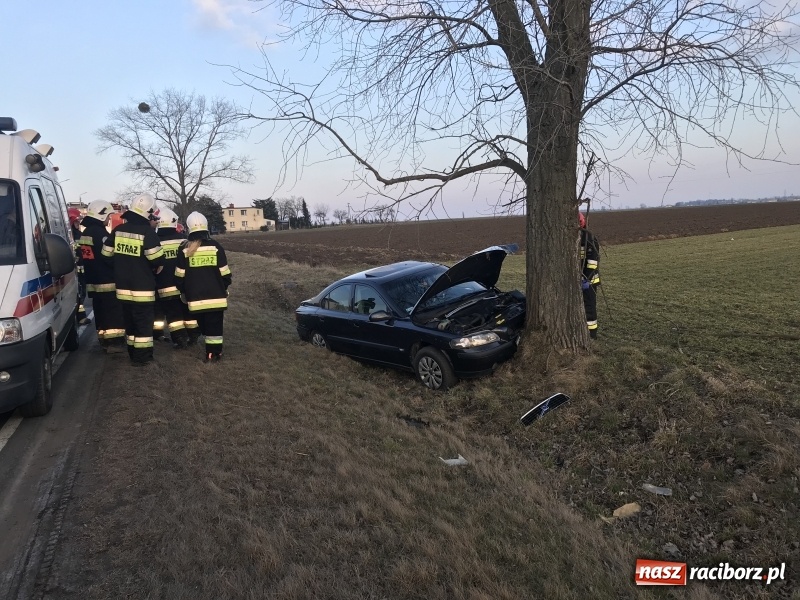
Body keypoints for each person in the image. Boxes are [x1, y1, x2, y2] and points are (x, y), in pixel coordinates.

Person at [101, 193, 165, 364]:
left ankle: (132, 353)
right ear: (148, 213)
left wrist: (121, 264)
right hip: (142, 289)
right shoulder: (147, 232)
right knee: (143, 325)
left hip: (123, 288)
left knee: (129, 324)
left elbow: (106, 255)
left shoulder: (118, 231)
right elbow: (157, 259)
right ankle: (142, 359)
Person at [175, 212, 231, 362]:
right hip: (216, 297)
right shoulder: (216, 247)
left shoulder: (184, 249)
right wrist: (222, 287)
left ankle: (211, 351)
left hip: (195, 299)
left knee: (205, 327)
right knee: (215, 330)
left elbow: (179, 276)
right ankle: (214, 354)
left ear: (189, 228)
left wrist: (184, 291)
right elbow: (225, 274)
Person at [77, 200, 126, 353]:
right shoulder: (100, 234)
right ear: (101, 215)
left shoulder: (86, 233)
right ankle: (115, 343)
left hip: (94, 280)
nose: (109, 219)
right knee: (113, 313)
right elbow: (108, 256)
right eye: (108, 215)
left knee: (100, 312)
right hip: (107, 281)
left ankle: (104, 340)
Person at [154, 208, 190, 349]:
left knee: (173, 317)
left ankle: (179, 339)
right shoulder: (184, 241)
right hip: (184, 287)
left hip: (164, 288)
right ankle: (191, 336)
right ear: (174, 223)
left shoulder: (155, 242)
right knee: (187, 313)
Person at [579, 211, 601, 339]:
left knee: (589, 308)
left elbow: (593, 262)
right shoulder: (573, 238)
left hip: (589, 281)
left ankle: (592, 336)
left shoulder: (589, 238)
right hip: (579, 280)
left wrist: (586, 278)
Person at [68, 208, 91, 325]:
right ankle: (80, 317)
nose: (79, 224)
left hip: (77, 271)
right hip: (77, 272)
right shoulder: (76, 236)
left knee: (80, 294)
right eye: (77, 222)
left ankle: (79, 316)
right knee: (80, 294)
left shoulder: (71, 236)